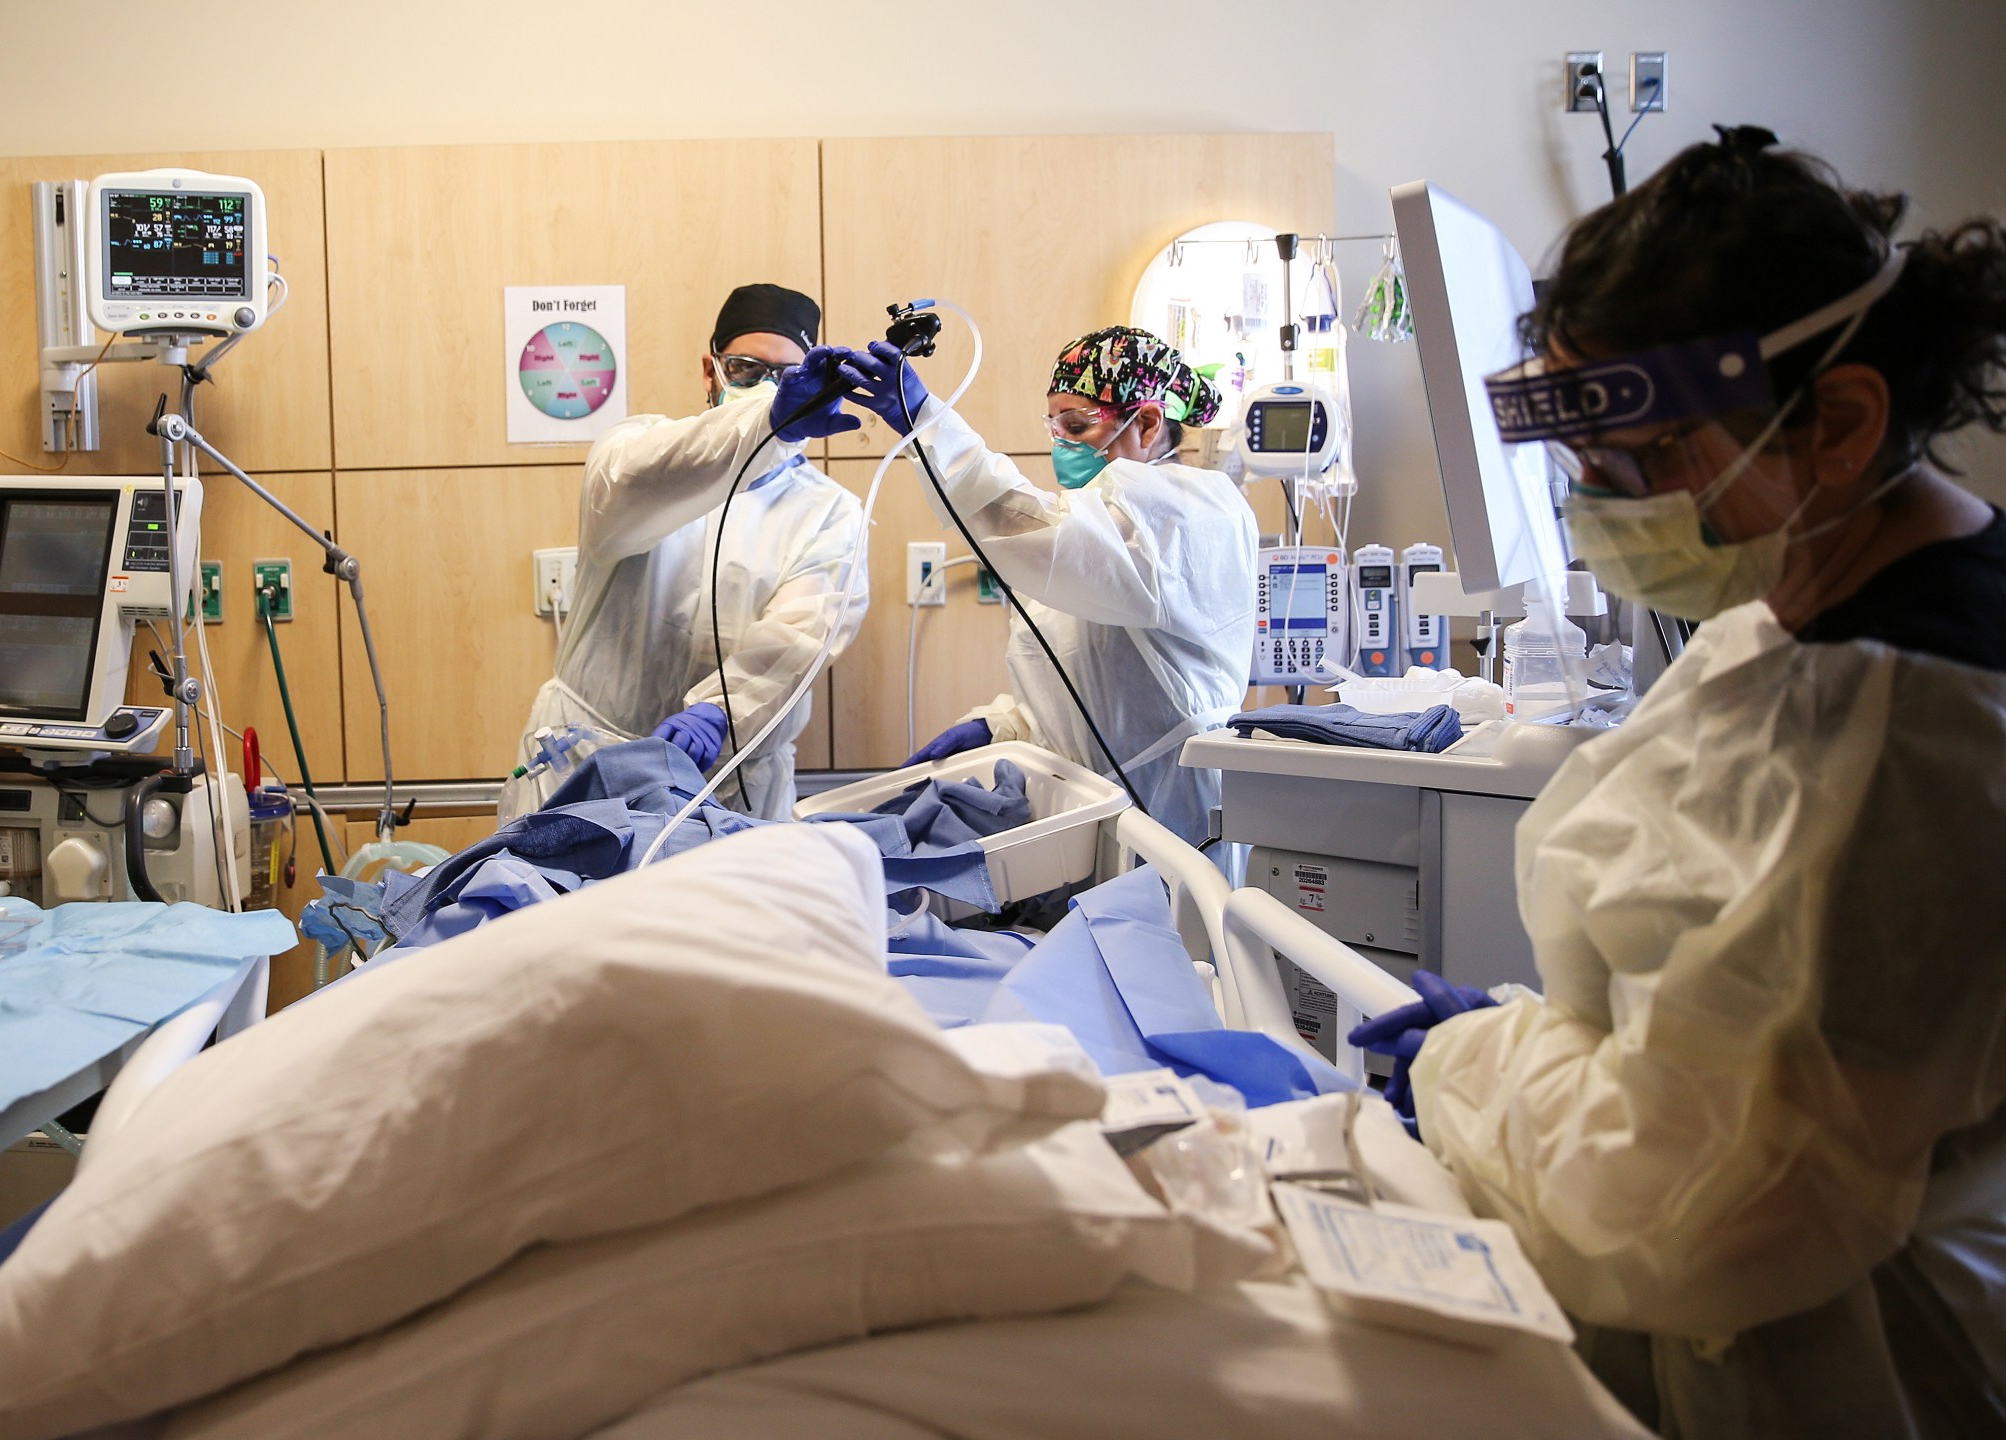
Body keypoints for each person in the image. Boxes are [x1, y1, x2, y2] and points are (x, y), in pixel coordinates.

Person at [1351, 129, 2006, 1437]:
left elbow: (1699, 1208)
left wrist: (1475, 1062)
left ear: (1841, 421)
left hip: (1850, 1367)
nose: (1604, 505)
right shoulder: (1796, 606)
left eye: (1641, 462)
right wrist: (1537, 1039)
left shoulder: (1908, 731)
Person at [845, 327, 1257, 847]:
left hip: (1172, 810)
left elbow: (1026, 528)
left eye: (1078, 426)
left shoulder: (1187, 511)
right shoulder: (1098, 523)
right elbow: (1087, 676)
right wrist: (1004, 724)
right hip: (1089, 809)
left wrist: (929, 421)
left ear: (1148, 422)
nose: (1062, 444)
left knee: (1173, 923)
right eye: (1055, 427)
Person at [512, 283, 870, 821]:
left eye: (788, 378)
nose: (769, 389)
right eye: (747, 368)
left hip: (729, 786)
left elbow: (801, 634)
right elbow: (640, 477)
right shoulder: (637, 453)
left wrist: (721, 712)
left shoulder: (830, 512)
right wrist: (766, 425)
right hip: (587, 767)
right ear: (712, 371)